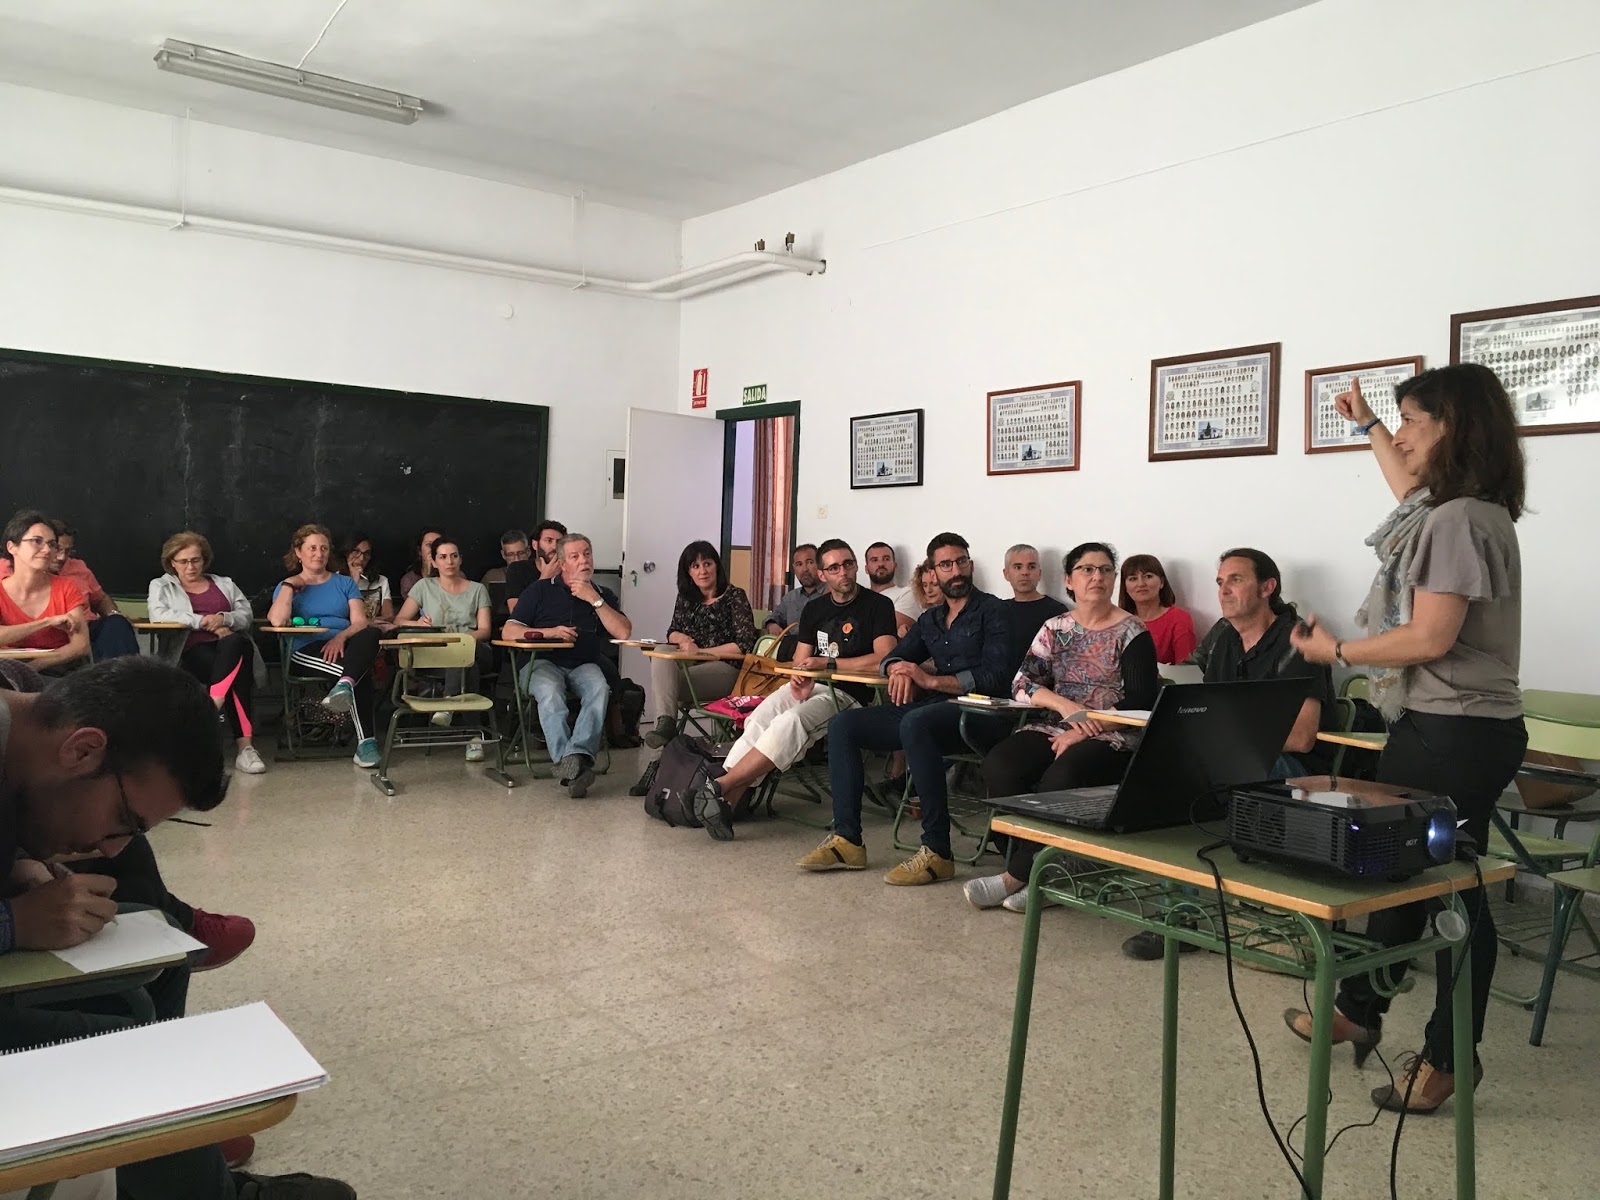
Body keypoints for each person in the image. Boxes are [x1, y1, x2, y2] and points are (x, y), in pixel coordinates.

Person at [0, 657, 356, 1198]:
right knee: (120, 1036)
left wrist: (21, 863)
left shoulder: (29, 702)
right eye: (124, 822)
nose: (111, 848)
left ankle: (174, 1155)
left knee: (154, 960)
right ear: (82, 750)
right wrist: (14, 922)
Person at [1283, 365, 1528, 1114]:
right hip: (1451, 726)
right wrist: (1368, 424)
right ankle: (1357, 1009)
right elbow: (1405, 484)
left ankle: (1449, 1058)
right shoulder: (1465, 510)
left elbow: (1428, 637)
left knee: (1453, 891)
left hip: (1454, 731)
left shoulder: (1454, 522)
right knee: (1400, 869)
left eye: (1414, 421)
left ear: (1453, 427)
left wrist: (1337, 652)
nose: (1404, 436)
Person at [800, 532, 1010, 886]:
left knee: (916, 721)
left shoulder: (994, 611)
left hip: (984, 713)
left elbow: (996, 676)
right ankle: (848, 841)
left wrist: (930, 680)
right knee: (844, 725)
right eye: (946, 564)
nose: (955, 570)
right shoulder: (932, 619)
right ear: (934, 572)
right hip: (936, 711)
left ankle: (938, 852)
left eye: (961, 561)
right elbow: (892, 656)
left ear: (970, 565)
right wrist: (898, 669)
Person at [964, 542, 1159, 912]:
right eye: (1087, 569)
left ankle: (1017, 877)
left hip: (1116, 733)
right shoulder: (1055, 627)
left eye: (1105, 570)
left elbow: (1142, 701)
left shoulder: (1133, 631)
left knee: (1061, 777)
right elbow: (1022, 683)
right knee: (1000, 765)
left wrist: (1085, 726)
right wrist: (1066, 707)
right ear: (1069, 580)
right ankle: (1040, 869)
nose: (1097, 577)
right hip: (1057, 725)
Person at [692, 539, 898, 838]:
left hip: (850, 694)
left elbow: (883, 657)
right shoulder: (815, 608)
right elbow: (802, 660)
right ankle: (728, 803)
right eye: (834, 568)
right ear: (823, 574)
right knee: (759, 718)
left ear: (856, 566)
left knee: (791, 721)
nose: (843, 572)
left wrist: (827, 664)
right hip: (812, 686)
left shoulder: (877, 605)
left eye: (848, 564)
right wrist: (799, 677)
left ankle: (722, 786)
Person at [504, 533, 631, 797]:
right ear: (562, 564)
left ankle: (574, 759)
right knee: (550, 693)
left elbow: (623, 631)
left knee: (599, 689)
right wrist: (549, 632)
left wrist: (593, 599)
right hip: (541, 662)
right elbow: (509, 630)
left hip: (584, 662)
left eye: (587, 554)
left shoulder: (602, 594)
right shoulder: (539, 590)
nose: (584, 560)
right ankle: (570, 763)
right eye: (575, 556)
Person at [147, 531, 266, 775]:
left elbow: (246, 614)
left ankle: (212, 707)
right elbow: (159, 615)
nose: (190, 567)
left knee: (235, 645)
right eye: (183, 561)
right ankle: (245, 748)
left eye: (196, 560)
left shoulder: (225, 584)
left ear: (205, 560)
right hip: (190, 652)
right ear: (172, 562)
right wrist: (202, 622)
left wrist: (224, 618)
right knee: (237, 667)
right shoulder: (162, 585)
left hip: (228, 650)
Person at [266, 524, 383, 769]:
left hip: (344, 644)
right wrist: (289, 585)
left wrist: (340, 638)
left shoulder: (344, 583)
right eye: (312, 548)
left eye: (324, 548)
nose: (319, 554)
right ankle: (366, 744)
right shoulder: (288, 585)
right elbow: (277, 621)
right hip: (305, 650)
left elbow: (359, 622)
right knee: (358, 673)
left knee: (371, 634)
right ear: (298, 552)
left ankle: (344, 685)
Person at [644, 541, 758, 747]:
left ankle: (662, 744)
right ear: (688, 572)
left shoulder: (734, 596)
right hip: (691, 665)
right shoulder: (686, 598)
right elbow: (672, 632)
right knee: (661, 651)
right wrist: (682, 639)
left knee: (664, 686)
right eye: (695, 566)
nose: (702, 571)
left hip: (727, 668)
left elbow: (744, 644)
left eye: (707, 564)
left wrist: (701, 652)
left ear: (717, 566)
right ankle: (666, 725)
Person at [0, 521, 142, 661]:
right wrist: (47, 622)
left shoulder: (77, 571)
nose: (61, 557)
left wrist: (114, 614)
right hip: (20, 642)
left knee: (116, 624)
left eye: (67, 551)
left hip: (79, 629)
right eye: (58, 548)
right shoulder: (6, 570)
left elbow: (100, 599)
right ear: (13, 548)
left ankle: (122, 674)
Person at [0, 509, 90, 673]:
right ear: (12, 547)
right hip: (8, 667)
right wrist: (46, 622)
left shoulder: (66, 587)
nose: (47, 550)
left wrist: (30, 669)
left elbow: (81, 645)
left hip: (58, 668)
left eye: (52, 544)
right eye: (37, 541)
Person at [997, 543, 1069, 671]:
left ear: (1039, 573)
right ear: (1006, 573)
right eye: (1018, 567)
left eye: (1031, 567)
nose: (1025, 572)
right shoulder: (997, 610)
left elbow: (1064, 661)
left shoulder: (1056, 611)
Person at [1117, 553, 1197, 665]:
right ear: (1125, 587)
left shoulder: (1179, 619)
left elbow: (1185, 669)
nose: (1141, 584)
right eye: (1133, 578)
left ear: (1162, 582)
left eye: (1148, 576)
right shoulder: (1118, 620)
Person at [864, 541, 926, 637]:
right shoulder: (860, 597)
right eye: (874, 560)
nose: (881, 564)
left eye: (886, 559)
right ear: (866, 568)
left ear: (895, 565)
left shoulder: (907, 594)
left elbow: (888, 632)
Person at [763, 543, 824, 633]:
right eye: (799, 564)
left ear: (820, 565)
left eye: (810, 562)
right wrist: (771, 624)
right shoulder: (790, 598)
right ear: (794, 568)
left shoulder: (832, 594)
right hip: (793, 641)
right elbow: (773, 617)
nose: (804, 569)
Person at [340, 532, 394, 625]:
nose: (361, 558)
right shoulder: (336, 579)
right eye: (356, 551)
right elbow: (339, 615)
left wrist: (367, 622)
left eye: (366, 553)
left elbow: (389, 615)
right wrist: (354, 581)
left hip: (373, 629)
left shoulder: (381, 580)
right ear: (347, 553)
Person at [480, 528, 532, 611]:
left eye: (521, 553)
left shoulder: (538, 574)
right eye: (510, 554)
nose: (516, 559)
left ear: (528, 551)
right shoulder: (492, 577)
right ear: (503, 555)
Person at [397, 527, 442, 600]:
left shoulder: (456, 577)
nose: (434, 549)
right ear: (419, 551)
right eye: (429, 545)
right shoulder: (409, 580)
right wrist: (429, 573)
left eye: (438, 545)